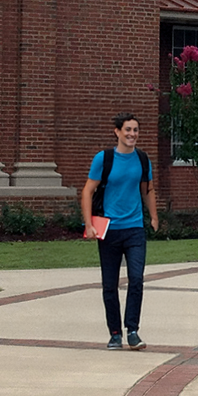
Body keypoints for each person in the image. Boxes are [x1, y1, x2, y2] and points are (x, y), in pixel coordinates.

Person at [81, 113, 160, 350]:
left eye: (135, 130)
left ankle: (132, 331)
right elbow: (87, 191)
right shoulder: (103, 159)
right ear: (117, 132)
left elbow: (148, 190)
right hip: (109, 230)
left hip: (135, 229)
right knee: (109, 284)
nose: (132, 134)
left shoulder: (143, 160)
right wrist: (88, 224)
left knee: (136, 279)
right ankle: (115, 333)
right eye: (127, 130)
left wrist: (154, 216)